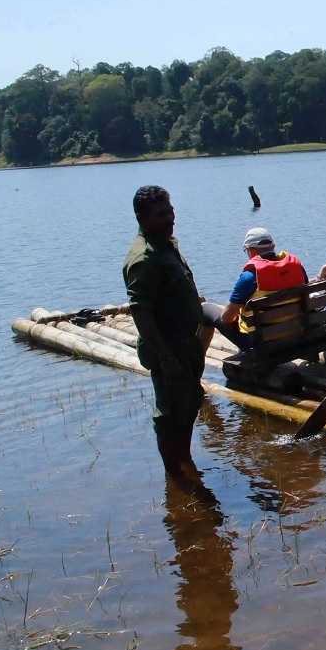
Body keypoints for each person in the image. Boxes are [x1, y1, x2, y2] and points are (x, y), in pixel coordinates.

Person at [123, 185, 207, 478]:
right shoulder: (144, 257)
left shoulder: (164, 243)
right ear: (142, 217)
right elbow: (140, 311)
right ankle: (175, 474)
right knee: (170, 414)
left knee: (189, 403)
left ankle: (185, 465)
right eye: (161, 214)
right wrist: (165, 357)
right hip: (168, 347)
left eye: (170, 211)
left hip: (187, 343)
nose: (170, 218)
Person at [202, 227, 307, 354]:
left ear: (250, 250)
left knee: (206, 309)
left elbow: (227, 318)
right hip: (296, 333)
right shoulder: (297, 268)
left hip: (259, 343)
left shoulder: (250, 277)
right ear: (273, 247)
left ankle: (196, 362)